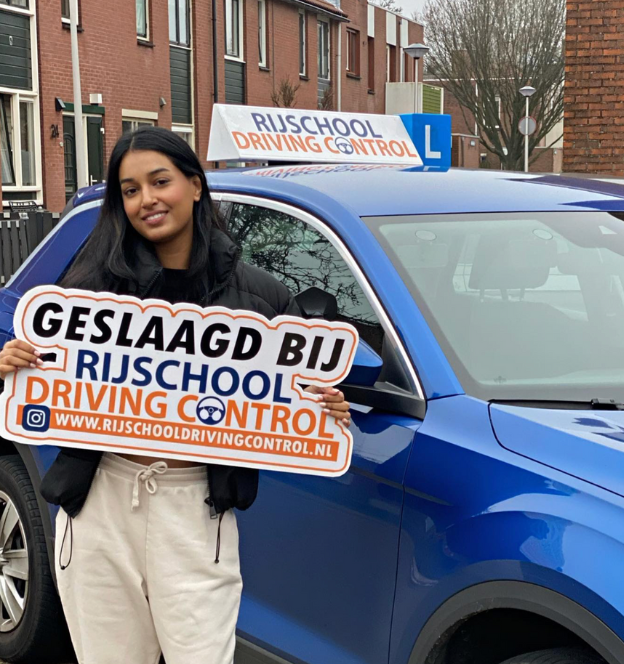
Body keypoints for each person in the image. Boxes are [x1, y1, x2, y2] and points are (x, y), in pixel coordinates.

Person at [0, 127, 351, 664]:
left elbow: (295, 401)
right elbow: (44, 380)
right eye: (130, 189)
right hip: (99, 503)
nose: (147, 200)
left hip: (196, 509)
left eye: (159, 181)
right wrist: (10, 367)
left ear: (194, 184)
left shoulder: (261, 298)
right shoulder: (89, 287)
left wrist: (326, 409)